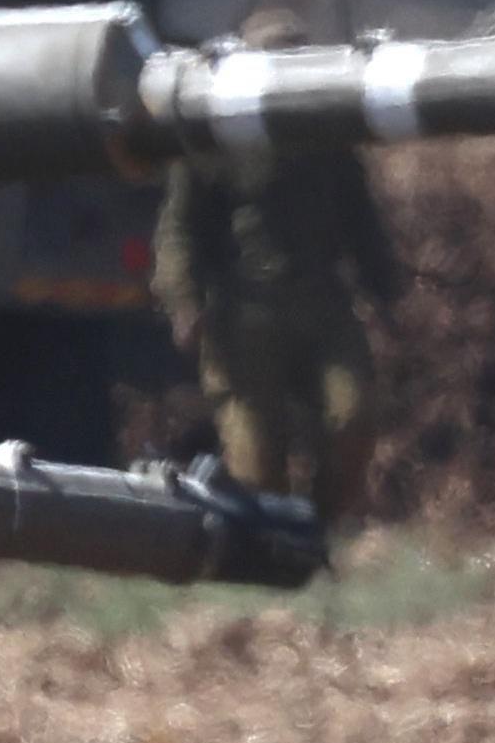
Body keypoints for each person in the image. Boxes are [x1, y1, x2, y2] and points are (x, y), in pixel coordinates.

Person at [155, 139, 401, 516]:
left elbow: (360, 219)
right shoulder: (214, 136)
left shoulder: (325, 135)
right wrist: (184, 301)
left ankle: (317, 531)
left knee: (354, 419)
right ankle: (270, 548)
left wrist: (386, 289)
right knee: (257, 466)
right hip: (243, 318)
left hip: (324, 308)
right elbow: (179, 228)